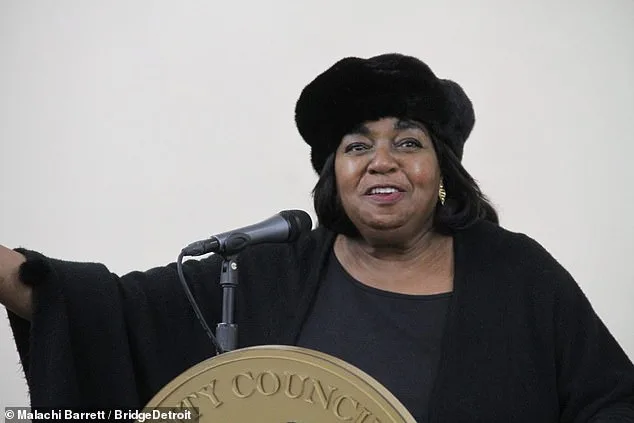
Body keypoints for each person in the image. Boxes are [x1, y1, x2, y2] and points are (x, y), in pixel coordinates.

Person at [1, 53, 633, 422]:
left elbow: (611, 404)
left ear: (442, 172)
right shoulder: (263, 273)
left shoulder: (517, 274)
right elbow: (106, 314)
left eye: (407, 143)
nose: (381, 161)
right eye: (356, 146)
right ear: (335, 175)